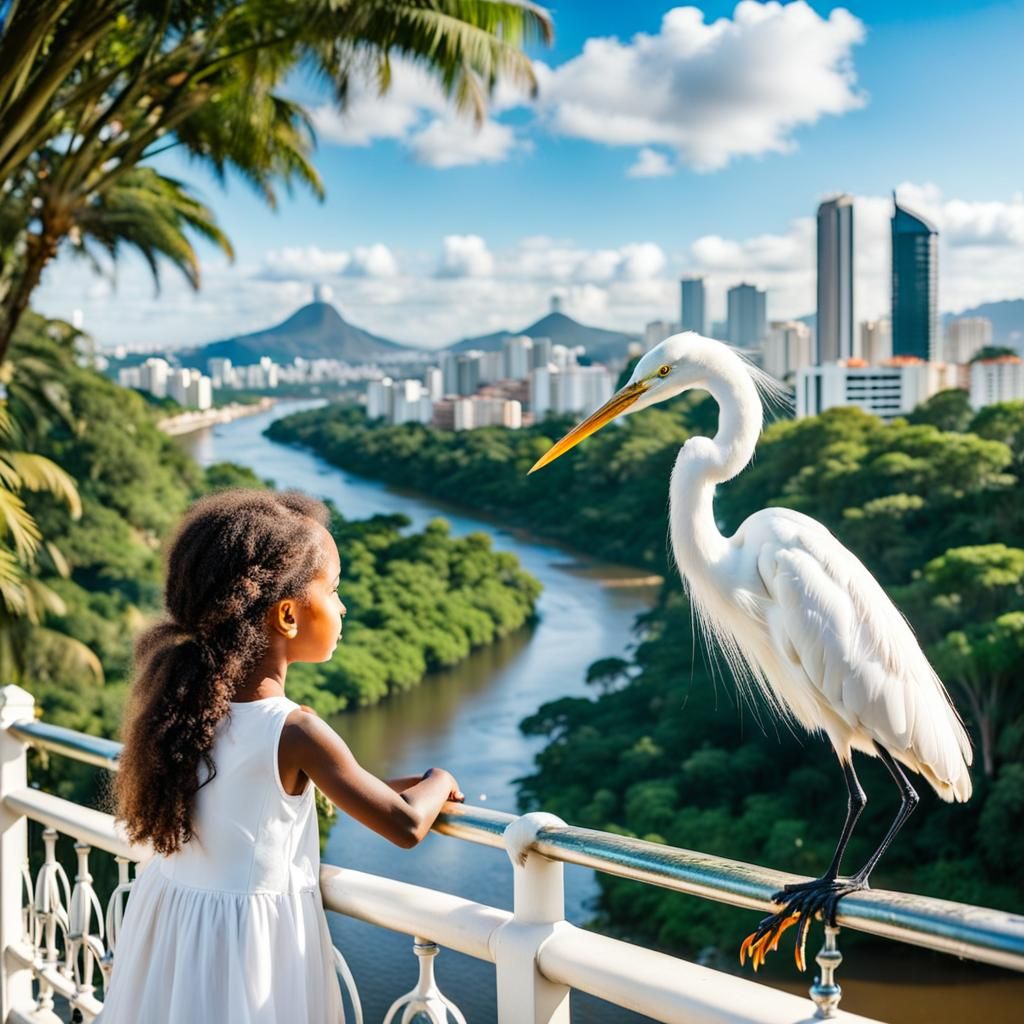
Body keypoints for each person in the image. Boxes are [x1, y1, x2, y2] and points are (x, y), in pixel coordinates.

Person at [96, 489, 464, 1023]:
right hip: (246, 948)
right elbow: (405, 825)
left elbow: (265, 794)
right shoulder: (297, 731)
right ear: (287, 615)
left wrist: (377, 781)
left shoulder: (188, 709)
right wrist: (438, 777)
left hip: (178, 923)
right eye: (333, 590)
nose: (343, 606)